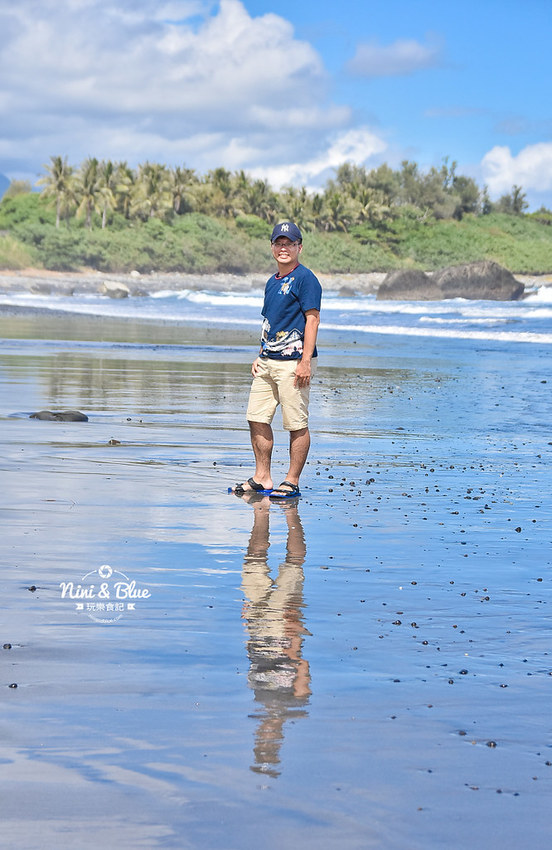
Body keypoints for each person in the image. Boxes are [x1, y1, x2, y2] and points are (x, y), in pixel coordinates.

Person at [232, 221, 322, 500]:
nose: (284, 248)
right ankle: (262, 477)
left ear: (299, 247)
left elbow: (312, 319)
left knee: (296, 422)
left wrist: (305, 361)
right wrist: (259, 354)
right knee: (256, 417)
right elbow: (269, 323)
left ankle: (291, 481)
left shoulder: (306, 279)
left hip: (294, 362)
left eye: (290, 243)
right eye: (279, 243)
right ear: (272, 247)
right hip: (268, 360)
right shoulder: (272, 282)